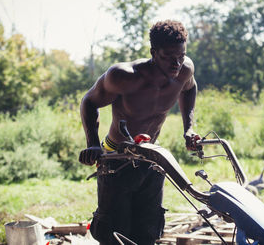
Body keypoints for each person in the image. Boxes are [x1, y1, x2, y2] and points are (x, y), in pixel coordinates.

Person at [79, 20, 200, 245]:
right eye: (168, 57)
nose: (177, 63)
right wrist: (92, 143)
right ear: (154, 53)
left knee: (148, 230)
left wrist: (189, 128)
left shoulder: (185, 70)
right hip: (117, 158)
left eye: (181, 56)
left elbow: (190, 88)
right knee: (114, 232)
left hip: (151, 156)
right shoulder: (124, 76)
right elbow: (88, 101)